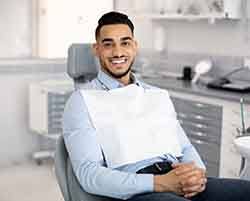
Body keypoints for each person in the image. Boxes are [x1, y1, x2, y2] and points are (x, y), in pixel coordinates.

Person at [63, 11, 250, 201]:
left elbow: (185, 148)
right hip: (140, 191)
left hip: (179, 180)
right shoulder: (82, 101)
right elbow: (89, 174)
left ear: (135, 46)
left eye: (125, 43)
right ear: (97, 49)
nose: (118, 52)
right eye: (108, 44)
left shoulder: (156, 95)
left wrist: (197, 175)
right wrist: (160, 183)